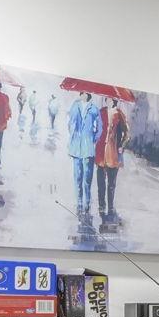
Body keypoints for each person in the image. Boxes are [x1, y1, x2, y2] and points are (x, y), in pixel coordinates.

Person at [66, 91, 101, 220]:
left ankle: (87, 202)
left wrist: (93, 139)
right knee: (77, 177)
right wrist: (73, 133)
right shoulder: (75, 106)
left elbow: (100, 128)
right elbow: (70, 123)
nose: (83, 95)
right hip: (76, 147)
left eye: (85, 93)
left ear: (88, 95)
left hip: (88, 148)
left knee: (87, 178)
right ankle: (79, 202)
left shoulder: (94, 109)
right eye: (82, 93)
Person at [95, 98, 129, 222]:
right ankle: (101, 206)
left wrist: (121, 146)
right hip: (101, 153)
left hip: (113, 153)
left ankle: (110, 207)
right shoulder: (101, 112)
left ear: (114, 101)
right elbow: (95, 128)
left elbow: (127, 133)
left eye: (110, 100)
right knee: (100, 182)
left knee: (111, 184)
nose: (108, 101)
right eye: (107, 100)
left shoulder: (119, 114)